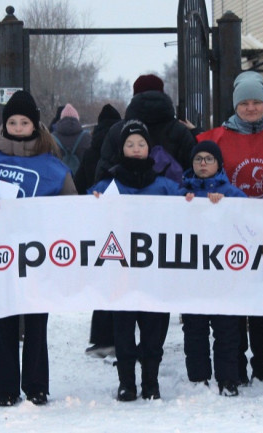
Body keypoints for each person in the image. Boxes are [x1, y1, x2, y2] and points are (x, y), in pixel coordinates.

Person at [0, 90, 76, 407]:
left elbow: (71, 206)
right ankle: (4, 387)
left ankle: (36, 385)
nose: (17, 126)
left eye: (23, 121)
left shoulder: (53, 166)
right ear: (5, 125)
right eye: (12, 121)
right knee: (0, 321)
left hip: (37, 258)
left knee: (36, 323)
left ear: (34, 125)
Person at [197, 70, 263, 385]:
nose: (251, 108)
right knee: (235, 304)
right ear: (235, 105)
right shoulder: (216, 139)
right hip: (230, 234)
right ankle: (238, 364)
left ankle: (262, 364)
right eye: (245, 103)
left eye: (257, 102)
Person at [89, 119, 181, 402]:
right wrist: (92, 203)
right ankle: (126, 382)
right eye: (130, 144)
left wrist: (192, 202)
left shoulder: (165, 186)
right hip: (121, 275)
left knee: (154, 331)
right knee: (124, 331)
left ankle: (150, 382)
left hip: (156, 274)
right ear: (122, 149)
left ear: (150, 149)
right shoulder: (107, 185)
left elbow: (187, 218)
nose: (137, 148)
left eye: (142, 143)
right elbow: (86, 220)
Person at [180, 141, 246, 396]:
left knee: (227, 329)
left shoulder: (233, 193)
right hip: (192, 276)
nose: (203, 164)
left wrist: (226, 205)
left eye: (209, 159)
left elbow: (249, 222)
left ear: (219, 163)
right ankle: (198, 379)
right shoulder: (181, 194)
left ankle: (228, 378)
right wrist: (183, 206)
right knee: (194, 329)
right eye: (198, 159)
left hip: (224, 275)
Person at [75, 103, 122, 358]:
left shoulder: (92, 152)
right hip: (124, 224)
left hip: (97, 223)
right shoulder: (122, 146)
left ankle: (101, 337)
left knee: (103, 279)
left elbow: (79, 184)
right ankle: (121, 335)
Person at [95, 74, 195, 184]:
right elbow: (193, 168)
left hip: (124, 196)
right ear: (161, 93)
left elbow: (103, 170)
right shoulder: (180, 130)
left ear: (135, 96)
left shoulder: (117, 130)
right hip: (171, 196)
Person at [51, 103, 91, 176]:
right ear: (77, 118)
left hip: (58, 181)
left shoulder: (51, 138)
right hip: (80, 182)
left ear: (61, 119)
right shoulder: (86, 137)